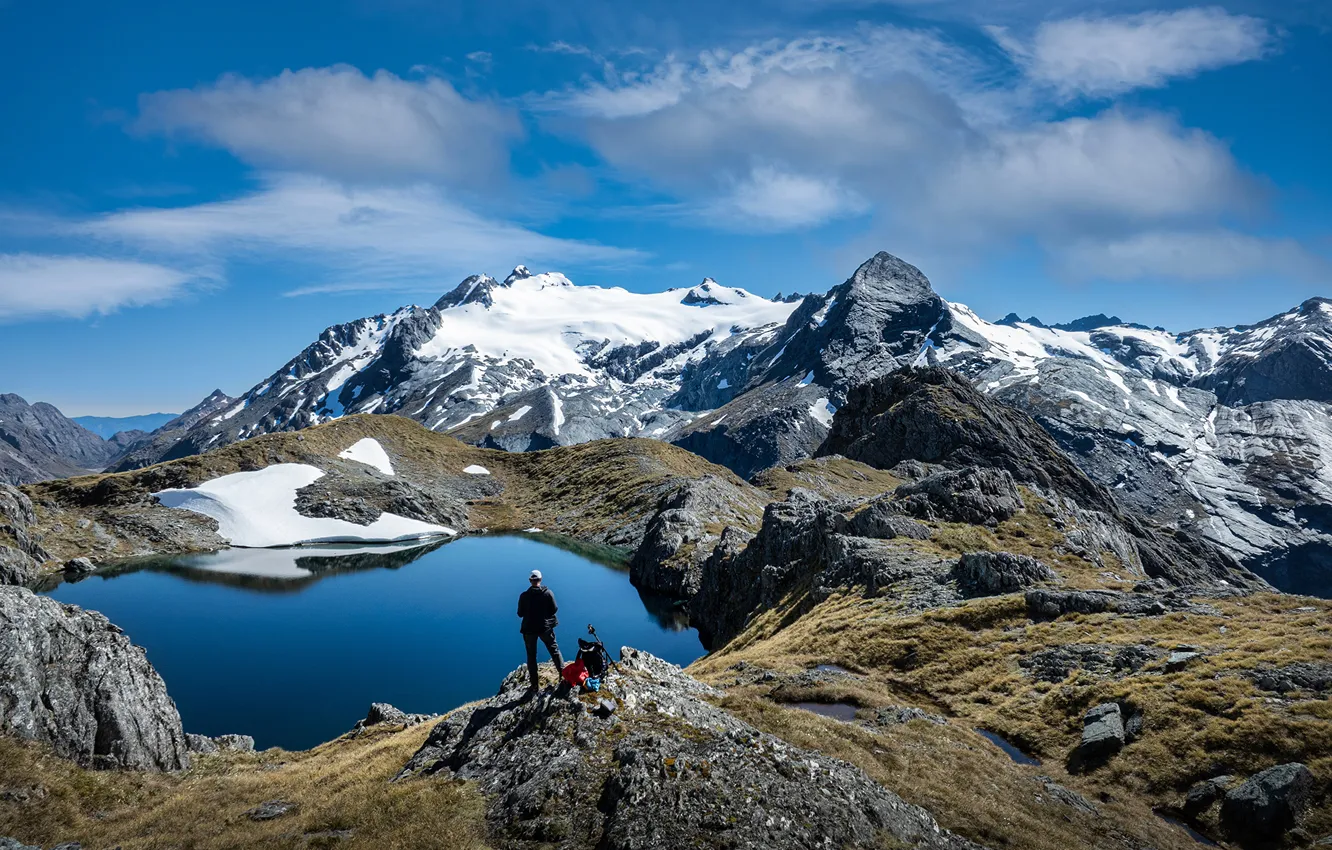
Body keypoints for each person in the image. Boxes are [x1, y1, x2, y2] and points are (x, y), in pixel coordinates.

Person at [517, 569, 564, 695]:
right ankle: (563, 675)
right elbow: (554, 609)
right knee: (554, 650)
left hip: (529, 630)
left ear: (530, 581)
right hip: (545, 628)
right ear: (540, 579)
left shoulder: (524, 596)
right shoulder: (548, 593)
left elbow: (520, 614)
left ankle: (534, 686)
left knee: (531, 657)